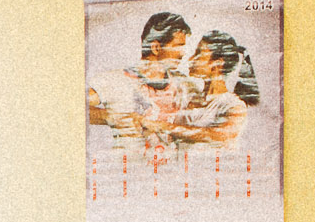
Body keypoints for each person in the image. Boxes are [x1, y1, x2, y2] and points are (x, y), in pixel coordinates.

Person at [87, 9, 192, 150]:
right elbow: (76, 107)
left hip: (174, 170)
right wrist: (112, 117)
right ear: (155, 47)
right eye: (178, 46)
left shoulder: (183, 84)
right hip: (130, 169)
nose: (183, 53)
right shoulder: (117, 80)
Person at [172, 28, 260, 147]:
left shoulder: (234, 106)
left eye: (198, 54)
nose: (190, 59)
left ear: (217, 63)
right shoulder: (188, 96)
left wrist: (164, 127)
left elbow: (219, 136)